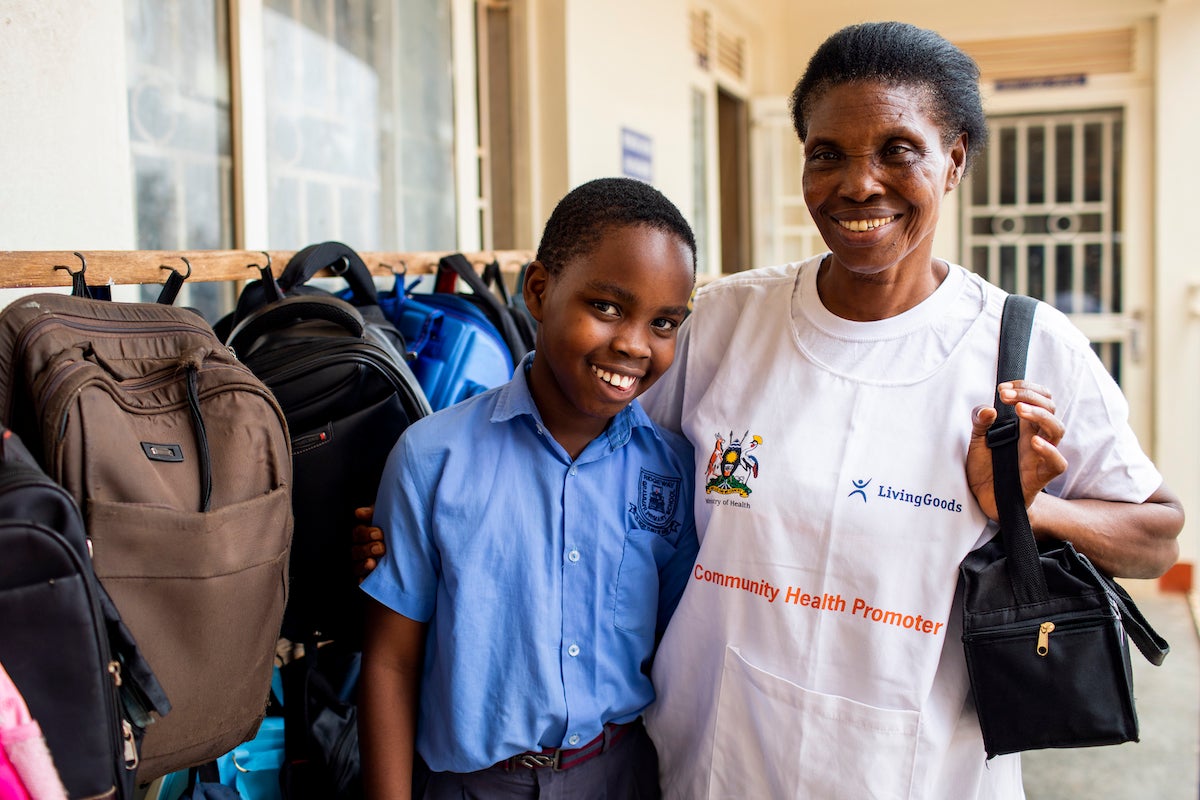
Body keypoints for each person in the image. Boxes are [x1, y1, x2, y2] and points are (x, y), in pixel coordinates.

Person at [637, 21, 1185, 799]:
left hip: (922, 771)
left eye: (898, 149)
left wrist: (1029, 510)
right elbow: (599, 461)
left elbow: (1157, 537)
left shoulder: (1021, 346)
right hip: (715, 758)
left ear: (954, 159)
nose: (859, 184)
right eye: (827, 153)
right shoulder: (725, 322)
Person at [357, 176, 700, 799]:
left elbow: (685, 641)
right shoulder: (433, 458)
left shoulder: (673, 471)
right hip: (471, 785)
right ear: (539, 292)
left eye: (664, 322)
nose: (632, 344)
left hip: (623, 773)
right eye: (606, 307)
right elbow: (390, 661)